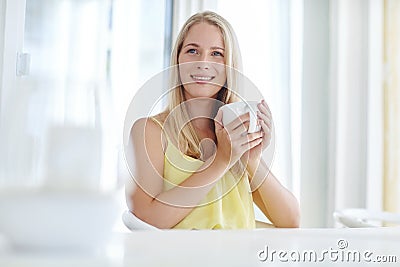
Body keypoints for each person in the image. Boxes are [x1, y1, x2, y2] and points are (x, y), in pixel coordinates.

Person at [125, 11, 300, 229]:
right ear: (177, 60)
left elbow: (291, 220)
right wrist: (220, 162)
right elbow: (145, 219)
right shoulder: (149, 131)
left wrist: (251, 159)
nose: (203, 62)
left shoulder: (235, 136)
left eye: (216, 53)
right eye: (192, 51)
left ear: (229, 67)